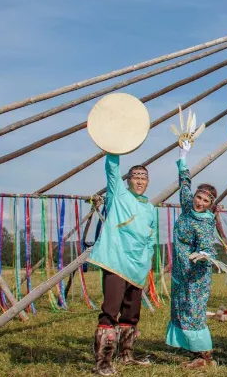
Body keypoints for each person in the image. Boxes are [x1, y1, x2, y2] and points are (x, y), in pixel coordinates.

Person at [88, 156, 157, 376]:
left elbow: (151, 238)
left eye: (143, 177)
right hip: (116, 260)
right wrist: (114, 148)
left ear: (148, 182)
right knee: (110, 311)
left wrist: (147, 260)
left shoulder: (150, 208)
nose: (140, 181)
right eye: (135, 177)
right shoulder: (118, 195)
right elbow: (112, 168)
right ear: (127, 180)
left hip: (137, 267)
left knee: (131, 313)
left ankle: (126, 354)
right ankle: (102, 362)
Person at [165, 138, 219, 368]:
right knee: (180, 309)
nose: (200, 202)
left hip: (196, 275)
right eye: (199, 197)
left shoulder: (205, 222)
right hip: (181, 270)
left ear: (210, 204)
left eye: (206, 201)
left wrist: (205, 254)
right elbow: (184, 183)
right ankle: (194, 351)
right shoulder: (188, 206)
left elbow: (207, 246)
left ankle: (204, 356)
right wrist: (183, 155)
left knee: (193, 312)